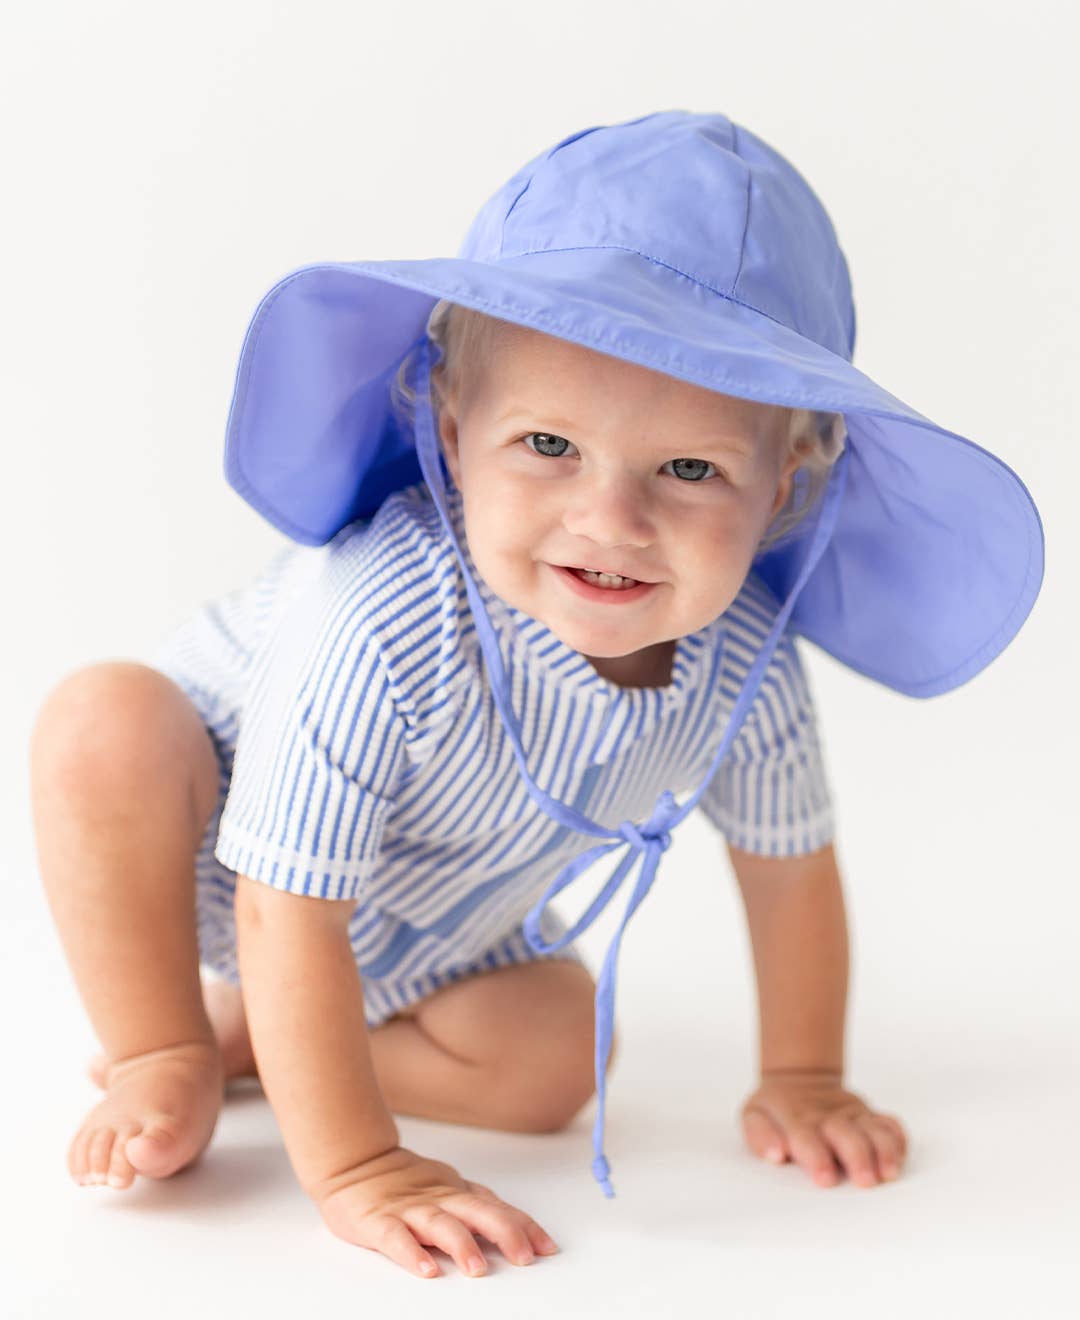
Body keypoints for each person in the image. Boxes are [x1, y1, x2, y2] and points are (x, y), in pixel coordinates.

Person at [29, 110, 1043, 1281]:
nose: (611, 519)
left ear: (783, 493)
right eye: (549, 444)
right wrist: (359, 1166)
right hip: (222, 846)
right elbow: (284, 904)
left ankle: (261, 1037)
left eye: (691, 469)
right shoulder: (388, 612)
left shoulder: (746, 664)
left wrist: (803, 1075)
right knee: (102, 724)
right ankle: (165, 1043)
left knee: (562, 1055)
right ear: (453, 437)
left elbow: (791, 871)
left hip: (433, 926)